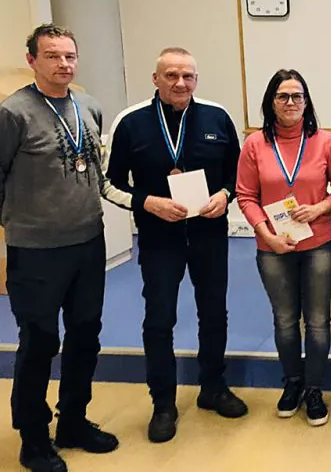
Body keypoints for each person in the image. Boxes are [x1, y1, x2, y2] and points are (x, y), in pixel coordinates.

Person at [103, 47, 246, 444]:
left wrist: (225, 195)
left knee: (214, 313)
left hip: (208, 234)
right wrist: (146, 202)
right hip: (159, 238)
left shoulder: (217, 117)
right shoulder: (131, 122)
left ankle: (212, 387)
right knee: (159, 318)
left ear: (196, 79)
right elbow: (109, 183)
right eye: (171, 75)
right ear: (155, 79)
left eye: (188, 76)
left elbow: (238, 174)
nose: (180, 83)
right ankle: (163, 403)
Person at [0, 23, 120, 471]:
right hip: (36, 250)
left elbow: (95, 168)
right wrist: (18, 220)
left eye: (69, 56)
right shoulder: (13, 113)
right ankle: (33, 438)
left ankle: (73, 420)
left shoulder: (88, 106)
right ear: (32, 60)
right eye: (52, 56)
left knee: (86, 334)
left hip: (88, 241)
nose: (63, 64)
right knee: (40, 341)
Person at [236, 69, 331, 427]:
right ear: (271, 102)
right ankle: (292, 382)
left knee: (317, 320)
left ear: (306, 102)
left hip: (320, 243)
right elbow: (245, 195)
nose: (290, 102)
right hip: (273, 246)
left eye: (297, 96)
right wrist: (266, 234)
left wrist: (319, 208)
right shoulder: (255, 145)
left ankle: (314, 388)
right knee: (285, 319)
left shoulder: (324, 141)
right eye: (283, 96)